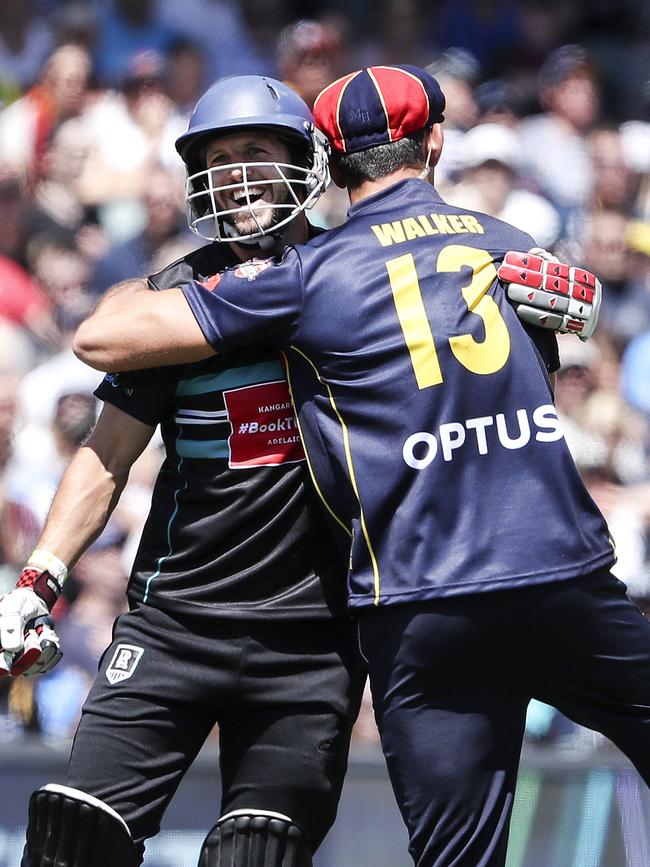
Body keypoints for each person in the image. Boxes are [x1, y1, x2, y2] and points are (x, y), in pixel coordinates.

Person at [73, 64, 650, 867]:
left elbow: (99, 339)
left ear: (329, 164)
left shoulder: (306, 276)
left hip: (420, 606)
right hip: (558, 577)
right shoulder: (509, 246)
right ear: (437, 141)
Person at [1, 75, 366, 867]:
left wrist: (509, 297)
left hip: (313, 644)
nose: (237, 172)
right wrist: (39, 578)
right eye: (221, 158)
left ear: (303, 162)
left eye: (256, 152)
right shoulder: (174, 300)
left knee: (256, 854)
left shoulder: (362, 282)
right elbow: (106, 455)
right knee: (73, 843)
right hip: (174, 626)